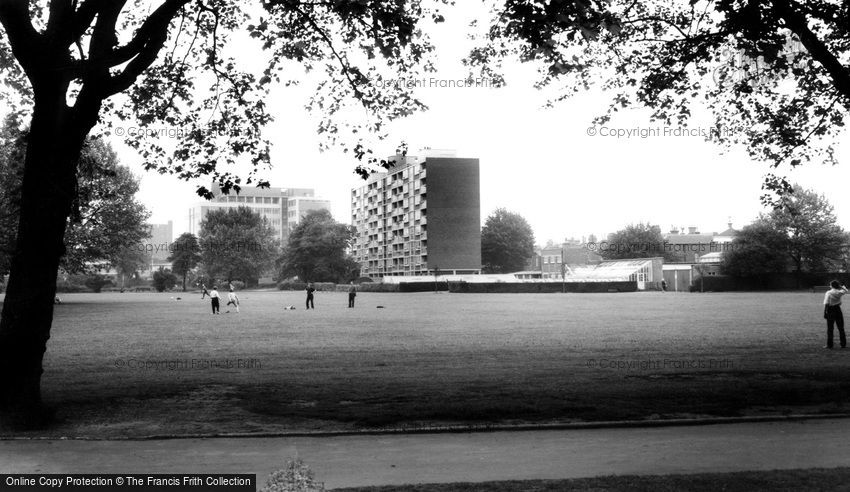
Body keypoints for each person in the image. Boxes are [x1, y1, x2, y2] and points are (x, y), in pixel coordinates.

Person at [823, 280, 848, 349]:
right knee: (841, 328)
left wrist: (825, 312)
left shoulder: (829, 292)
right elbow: (846, 291)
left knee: (830, 328)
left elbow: (826, 303)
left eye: (830, 285)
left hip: (830, 310)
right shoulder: (839, 292)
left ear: (832, 285)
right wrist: (841, 287)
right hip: (838, 310)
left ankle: (830, 345)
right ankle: (843, 344)